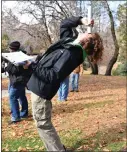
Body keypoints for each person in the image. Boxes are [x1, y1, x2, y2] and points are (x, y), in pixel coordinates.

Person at [24, 16, 104, 151]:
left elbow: (53, 76)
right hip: (37, 85)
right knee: (42, 122)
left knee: (43, 124)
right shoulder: (70, 42)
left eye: (88, 32)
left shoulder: (72, 54)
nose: (86, 30)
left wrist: (32, 65)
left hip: (42, 89)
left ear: (86, 41)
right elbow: (64, 24)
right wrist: (80, 20)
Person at [2, 41, 31, 124]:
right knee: (22, 96)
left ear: (12, 49)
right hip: (16, 80)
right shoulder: (18, 55)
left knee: (12, 97)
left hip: (18, 80)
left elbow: (15, 70)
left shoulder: (19, 57)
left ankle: (16, 117)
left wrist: (7, 66)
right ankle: (24, 113)